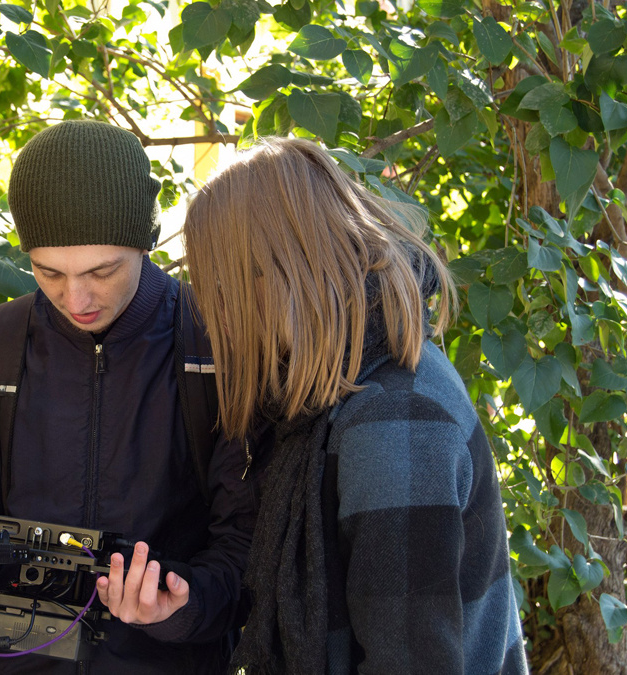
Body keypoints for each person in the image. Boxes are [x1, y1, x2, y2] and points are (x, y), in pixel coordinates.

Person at [0, 120, 255, 674]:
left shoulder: (219, 347)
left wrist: (181, 606)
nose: (75, 298)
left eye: (102, 271)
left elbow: (247, 548)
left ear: (145, 239)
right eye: (48, 272)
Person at [181, 137, 528, 674]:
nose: (212, 311)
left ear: (271, 276)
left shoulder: (394, 424)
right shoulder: (344, 385)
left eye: (218, 287)